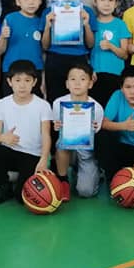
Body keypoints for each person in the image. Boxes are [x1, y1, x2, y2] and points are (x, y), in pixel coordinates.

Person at [0, 60, 53, 205]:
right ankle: (4, 185)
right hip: (10, 152)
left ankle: (19, 181)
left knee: (22, 198)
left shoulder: (43, 105)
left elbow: (46, 135)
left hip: (32, 155)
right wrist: (3, 137)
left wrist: (44, 159)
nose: (22, 85)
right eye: (18, 80)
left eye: (27, 80)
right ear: (9, 82)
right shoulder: (1, 104)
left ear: (34, 82)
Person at [41, 0, 96, 103]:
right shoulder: (48, 12)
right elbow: (45, 46)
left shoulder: (87, 11)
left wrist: (86, 24)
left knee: (79, 102)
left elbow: (90, 44)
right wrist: (47, 26)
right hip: (55, 60)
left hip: (79, 60)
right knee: (54, 101)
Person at [51, 61, 104, 200]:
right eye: (73, 79)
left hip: (86, 152)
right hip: (67, 148)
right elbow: (56, 129)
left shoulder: (97, 108)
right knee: (62, 143)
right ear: (67, 83)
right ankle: (63, 180)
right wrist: (57, 126)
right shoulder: (58, 104)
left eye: (82, 79)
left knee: (86, 192)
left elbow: (97, 137)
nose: (77, 83)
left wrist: (93, 129)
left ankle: (91, 171)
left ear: (90, 83)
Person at [0, 0, 46, 99]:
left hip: (34, 71)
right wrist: (3, 36)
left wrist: (43, 78)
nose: (31, 2)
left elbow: (43, 53)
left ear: (41, 0)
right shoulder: (10, 19)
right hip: (11, 71)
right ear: (17, 1)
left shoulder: (41, 22)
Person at [89, 0, 129, 107]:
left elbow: (125, 55)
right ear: (95, 1)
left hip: (115, 75)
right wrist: (89, 70)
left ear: (116, 4)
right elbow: (86, 51)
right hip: (95, 76)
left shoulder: (120, 24)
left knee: (113, 109)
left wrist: (111, 47)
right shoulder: (91, 23)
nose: (106, 4)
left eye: (111, 0)